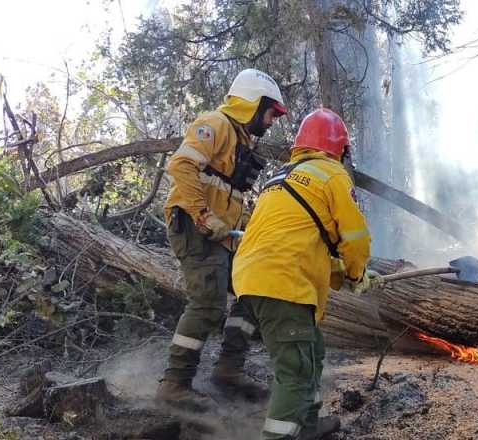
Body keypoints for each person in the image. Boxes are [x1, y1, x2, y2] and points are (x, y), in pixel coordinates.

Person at [231, 108, 380, 439]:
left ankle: (308, 427)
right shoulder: (332, 174)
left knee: (311, 351)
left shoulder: (280, 178)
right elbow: (356, 238)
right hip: (283, 283)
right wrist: (358, 274)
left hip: (254, 277)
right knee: (295, 371)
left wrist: (346, 274)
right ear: (339, 148)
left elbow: (302, 246)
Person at [157, 68, 287, 409]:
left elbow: (226, 195)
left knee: (254, 289)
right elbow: (181, 166)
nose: (272, 121)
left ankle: (229, 371)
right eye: (271, 112)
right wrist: (202, 216)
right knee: (208, 305)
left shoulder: (239, 139)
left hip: (222, 236)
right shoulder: (214, 123)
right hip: (194, 228)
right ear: (252, 104)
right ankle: (174, 384)